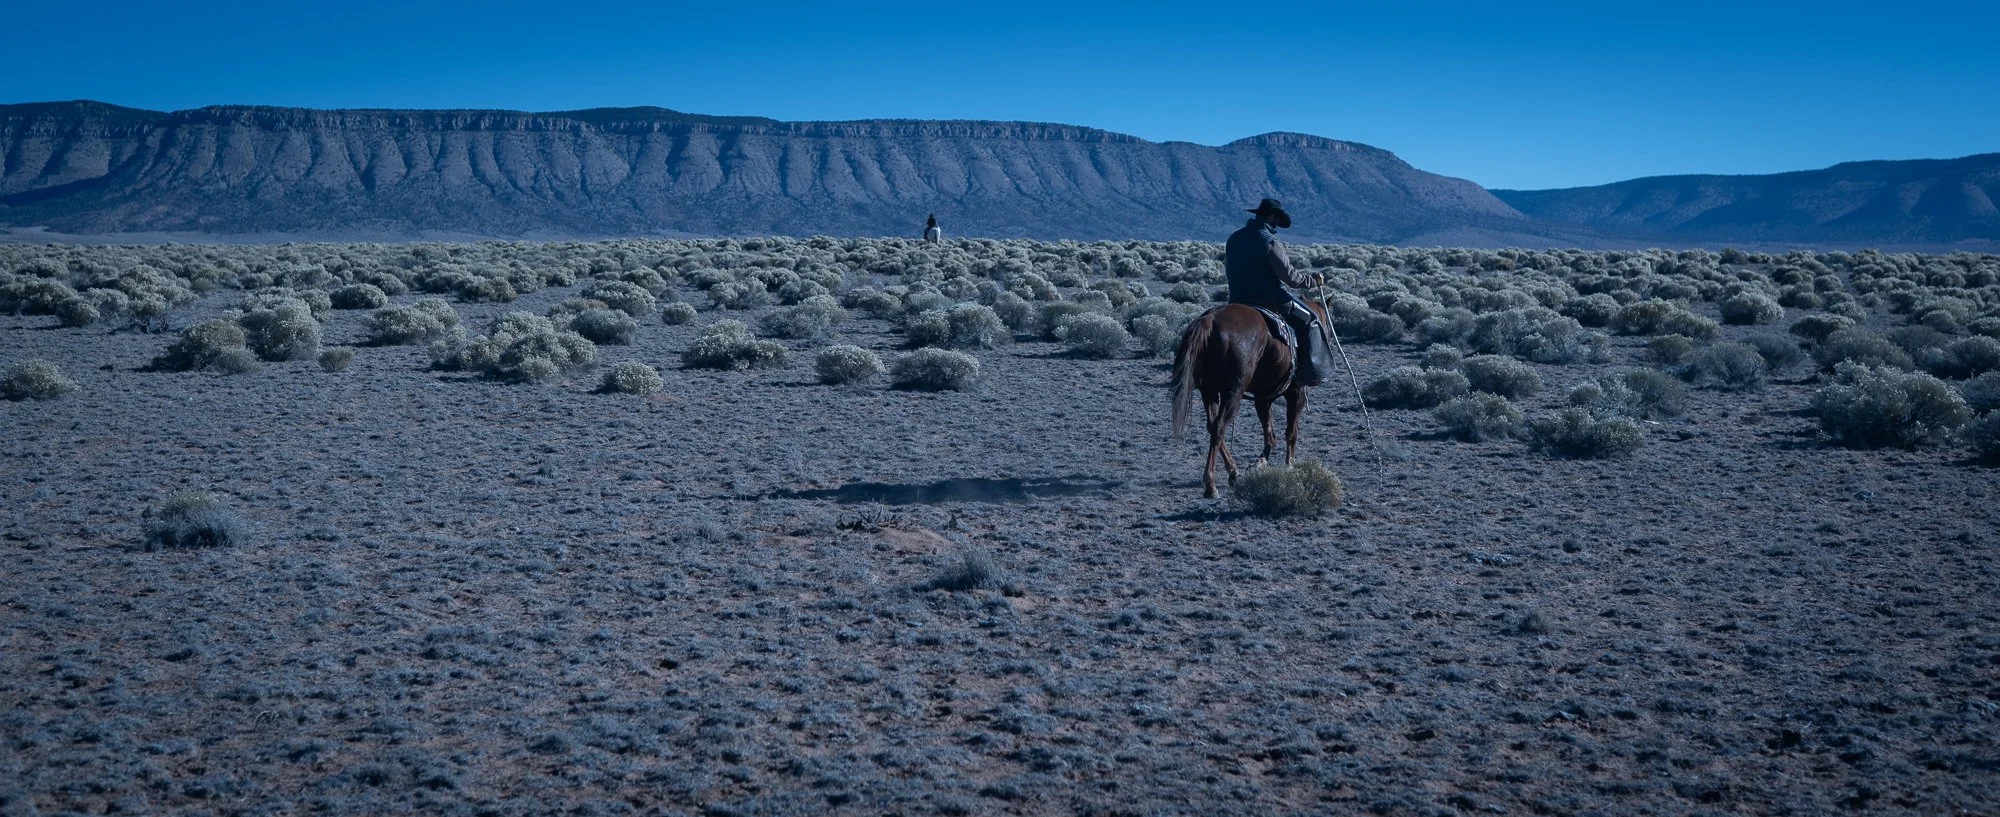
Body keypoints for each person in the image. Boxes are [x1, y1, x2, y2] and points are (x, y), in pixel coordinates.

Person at [1225, 198, 1333, 386]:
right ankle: (1308, 374)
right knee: (1311, 320)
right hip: (1270, 299)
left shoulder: (1234, 238)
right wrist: (1312, 281)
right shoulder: (1270, 242)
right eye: (1277, 219)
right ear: (1272, 217)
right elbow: (1289, 277)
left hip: (1237, 298)